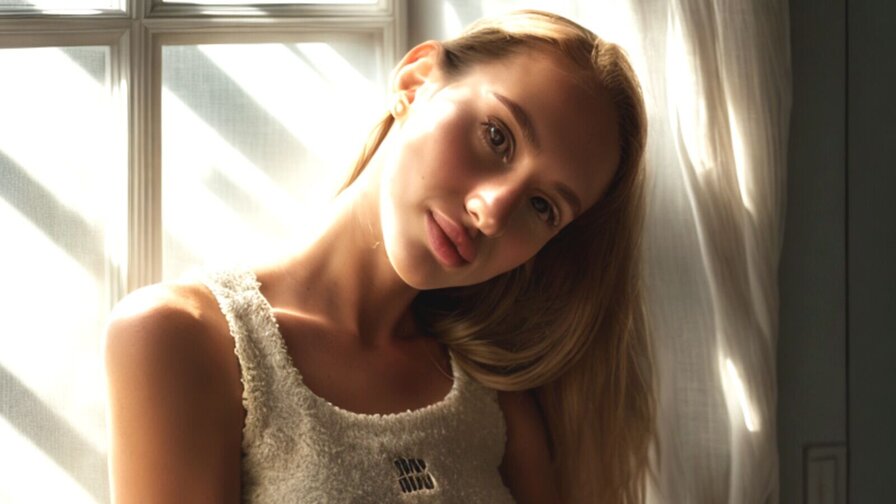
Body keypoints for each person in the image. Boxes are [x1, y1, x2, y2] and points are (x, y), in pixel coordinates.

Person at [104, 9, 655, 504]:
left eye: (542, 206)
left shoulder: (496, 403)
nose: (491, 213)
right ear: (416, 82)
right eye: (497, 136)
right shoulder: (185, 337)